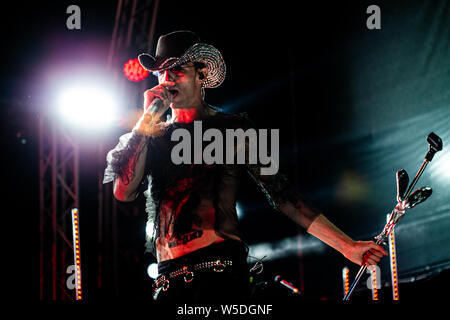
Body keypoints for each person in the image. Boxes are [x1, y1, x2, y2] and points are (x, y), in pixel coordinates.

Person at [103, 30, 387, 303]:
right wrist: (146, 121)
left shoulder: (233, 129)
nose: (167, 79)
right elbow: (123, 192)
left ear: (201, 74)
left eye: (177, 69)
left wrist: (346, 245)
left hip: (220, 275)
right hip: (168, 280)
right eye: (161, 72)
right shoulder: (152, 137)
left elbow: (284, 196)